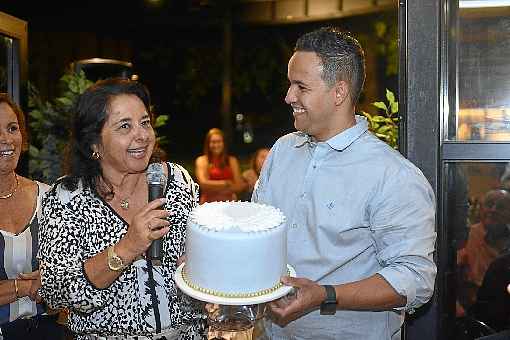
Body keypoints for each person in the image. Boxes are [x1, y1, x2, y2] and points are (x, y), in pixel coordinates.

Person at [252, 27, 437, 339]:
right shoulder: (283, 150)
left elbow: (414, 279)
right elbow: (256, 230)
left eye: (301, 87)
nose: (288, 97)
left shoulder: (393, 176)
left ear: (338, 92)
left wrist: (325, 294)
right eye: (289, 84)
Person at [37, 78, 205, 339]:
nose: (142, 134)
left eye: (145, 122)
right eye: (125, 126)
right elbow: (55, 292)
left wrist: (202, 263)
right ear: (94, 144)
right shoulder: (67, 199)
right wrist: (127, 247)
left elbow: (198, 256)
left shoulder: (178, 181)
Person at [0, 94, 65, 339]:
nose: (6, 139)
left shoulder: (49, 197)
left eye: (12, 128)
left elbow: (70, 272)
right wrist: (23, 287)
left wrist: (54, 281)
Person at [457, 189, 510, 317]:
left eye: (501, 207)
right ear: (481, 209)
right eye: (489, 204)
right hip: (472, 315)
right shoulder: (466, 237)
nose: (493, 210)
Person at [195, 128, 245, 204]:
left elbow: (239, 186)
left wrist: (213, 187)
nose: (216, 145)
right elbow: (203, 184)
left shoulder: (232, 160)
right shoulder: (201, 160)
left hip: (229, 205)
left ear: (223, 143)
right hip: (208, 205)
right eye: (213, 142)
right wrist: (226, 183)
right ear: (208, 144)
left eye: (219, 142)